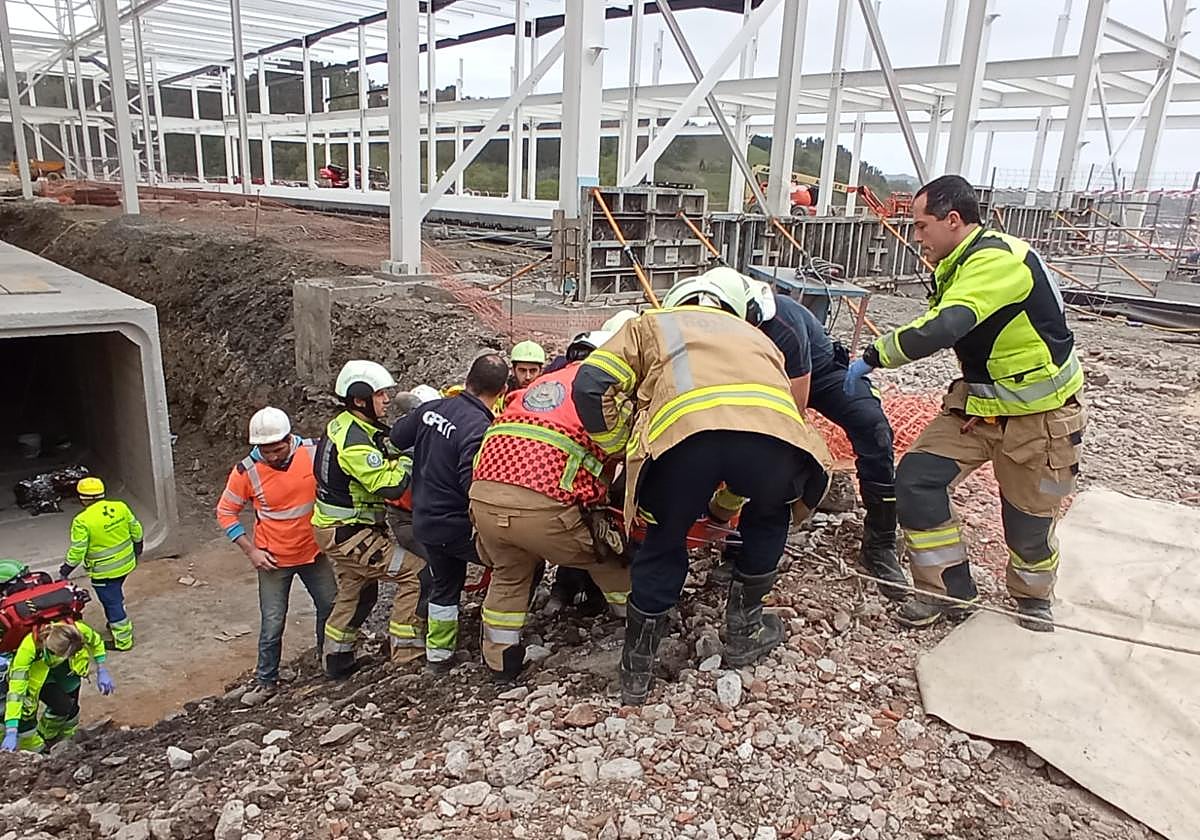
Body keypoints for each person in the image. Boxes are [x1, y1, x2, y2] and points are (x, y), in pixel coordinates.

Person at [573, 272, 831, 705]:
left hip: (684, 442)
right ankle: (744, 631)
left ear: (680, 300)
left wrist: (618, 444)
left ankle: (636, 672)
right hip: (773, 441)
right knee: (768, 515)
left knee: (664, 538)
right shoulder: (759, 338)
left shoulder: (652, 322)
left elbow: (591, 382)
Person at [844, 174, 1086, 631]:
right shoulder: (960, 263)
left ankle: (1032, 597)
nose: (916, 237)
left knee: (1028, 521)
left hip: (1041, 416)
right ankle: (948, 591)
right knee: (915, 481)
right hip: (979, 408)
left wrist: (874, 356)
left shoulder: (998, 260)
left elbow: (944, 326)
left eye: (921, 226)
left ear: (952, 220)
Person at [711, 277, 905, 599]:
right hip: (758, 382)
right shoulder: (721, 331)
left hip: (820, 374)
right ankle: (739, 539)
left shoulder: (783, 325)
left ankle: (880, 543)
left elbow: (794, 409)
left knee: (874, 429)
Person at [470, 330, 632, 681]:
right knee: (603, 553)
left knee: (509, 573)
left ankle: (501, 662)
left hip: (483, 499)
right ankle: (634, 620)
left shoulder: (532, 389)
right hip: (544, 505)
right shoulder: (603, 395)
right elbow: (623, 450)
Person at [389, 353, 510, 671]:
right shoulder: (480, 428)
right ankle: (500, 646)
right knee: (512, 566)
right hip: (456, 526)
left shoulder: (432, 409)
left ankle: (439, 657)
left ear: (467, 379)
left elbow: (398, 437)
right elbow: (473, 485)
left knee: (446, 585)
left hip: (424, 521)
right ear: (501, 391)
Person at [312, 360, 425, 678]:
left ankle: (336, 660)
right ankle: (407, 653)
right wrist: (408, 456)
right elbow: (387, 484)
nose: (387, 400)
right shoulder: (353, 440)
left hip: (341, 529)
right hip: (348, 531)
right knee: (415, 573)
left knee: (358, 589)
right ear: (359, 399)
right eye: (380, 394)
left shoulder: (353, 427)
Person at [216, 406, 336, 702]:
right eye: (265, 451)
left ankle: (329, 662)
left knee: (331, 607)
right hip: (272, 560)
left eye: (277, 449)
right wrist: (251, 551)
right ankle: (266, 680)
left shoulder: (312, 452)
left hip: (313, 552)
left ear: (289, 438)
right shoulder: (246, 471)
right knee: (272, 623)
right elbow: (225, 512)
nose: (271, 456)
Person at [2, 621, 114, 753]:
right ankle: (42, 743)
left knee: (69, 706)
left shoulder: (75, 629)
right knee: (28, 712)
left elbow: (95, 641)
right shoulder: (27, 649)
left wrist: (101, 668)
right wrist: (11, 730)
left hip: (66, 669)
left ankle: (57, 738)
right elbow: (16, 692)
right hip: (36, 674)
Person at [59, 477, 143, 651]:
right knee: (116, 597)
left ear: (83, 498)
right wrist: (137, 549)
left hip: (104, 572)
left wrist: (65, 570)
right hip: (126, 564)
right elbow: (136, 529)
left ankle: (123, 641)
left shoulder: (82, 520)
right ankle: (117, 622)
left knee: (112, 604)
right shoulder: (120, 507)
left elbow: (78, 550)